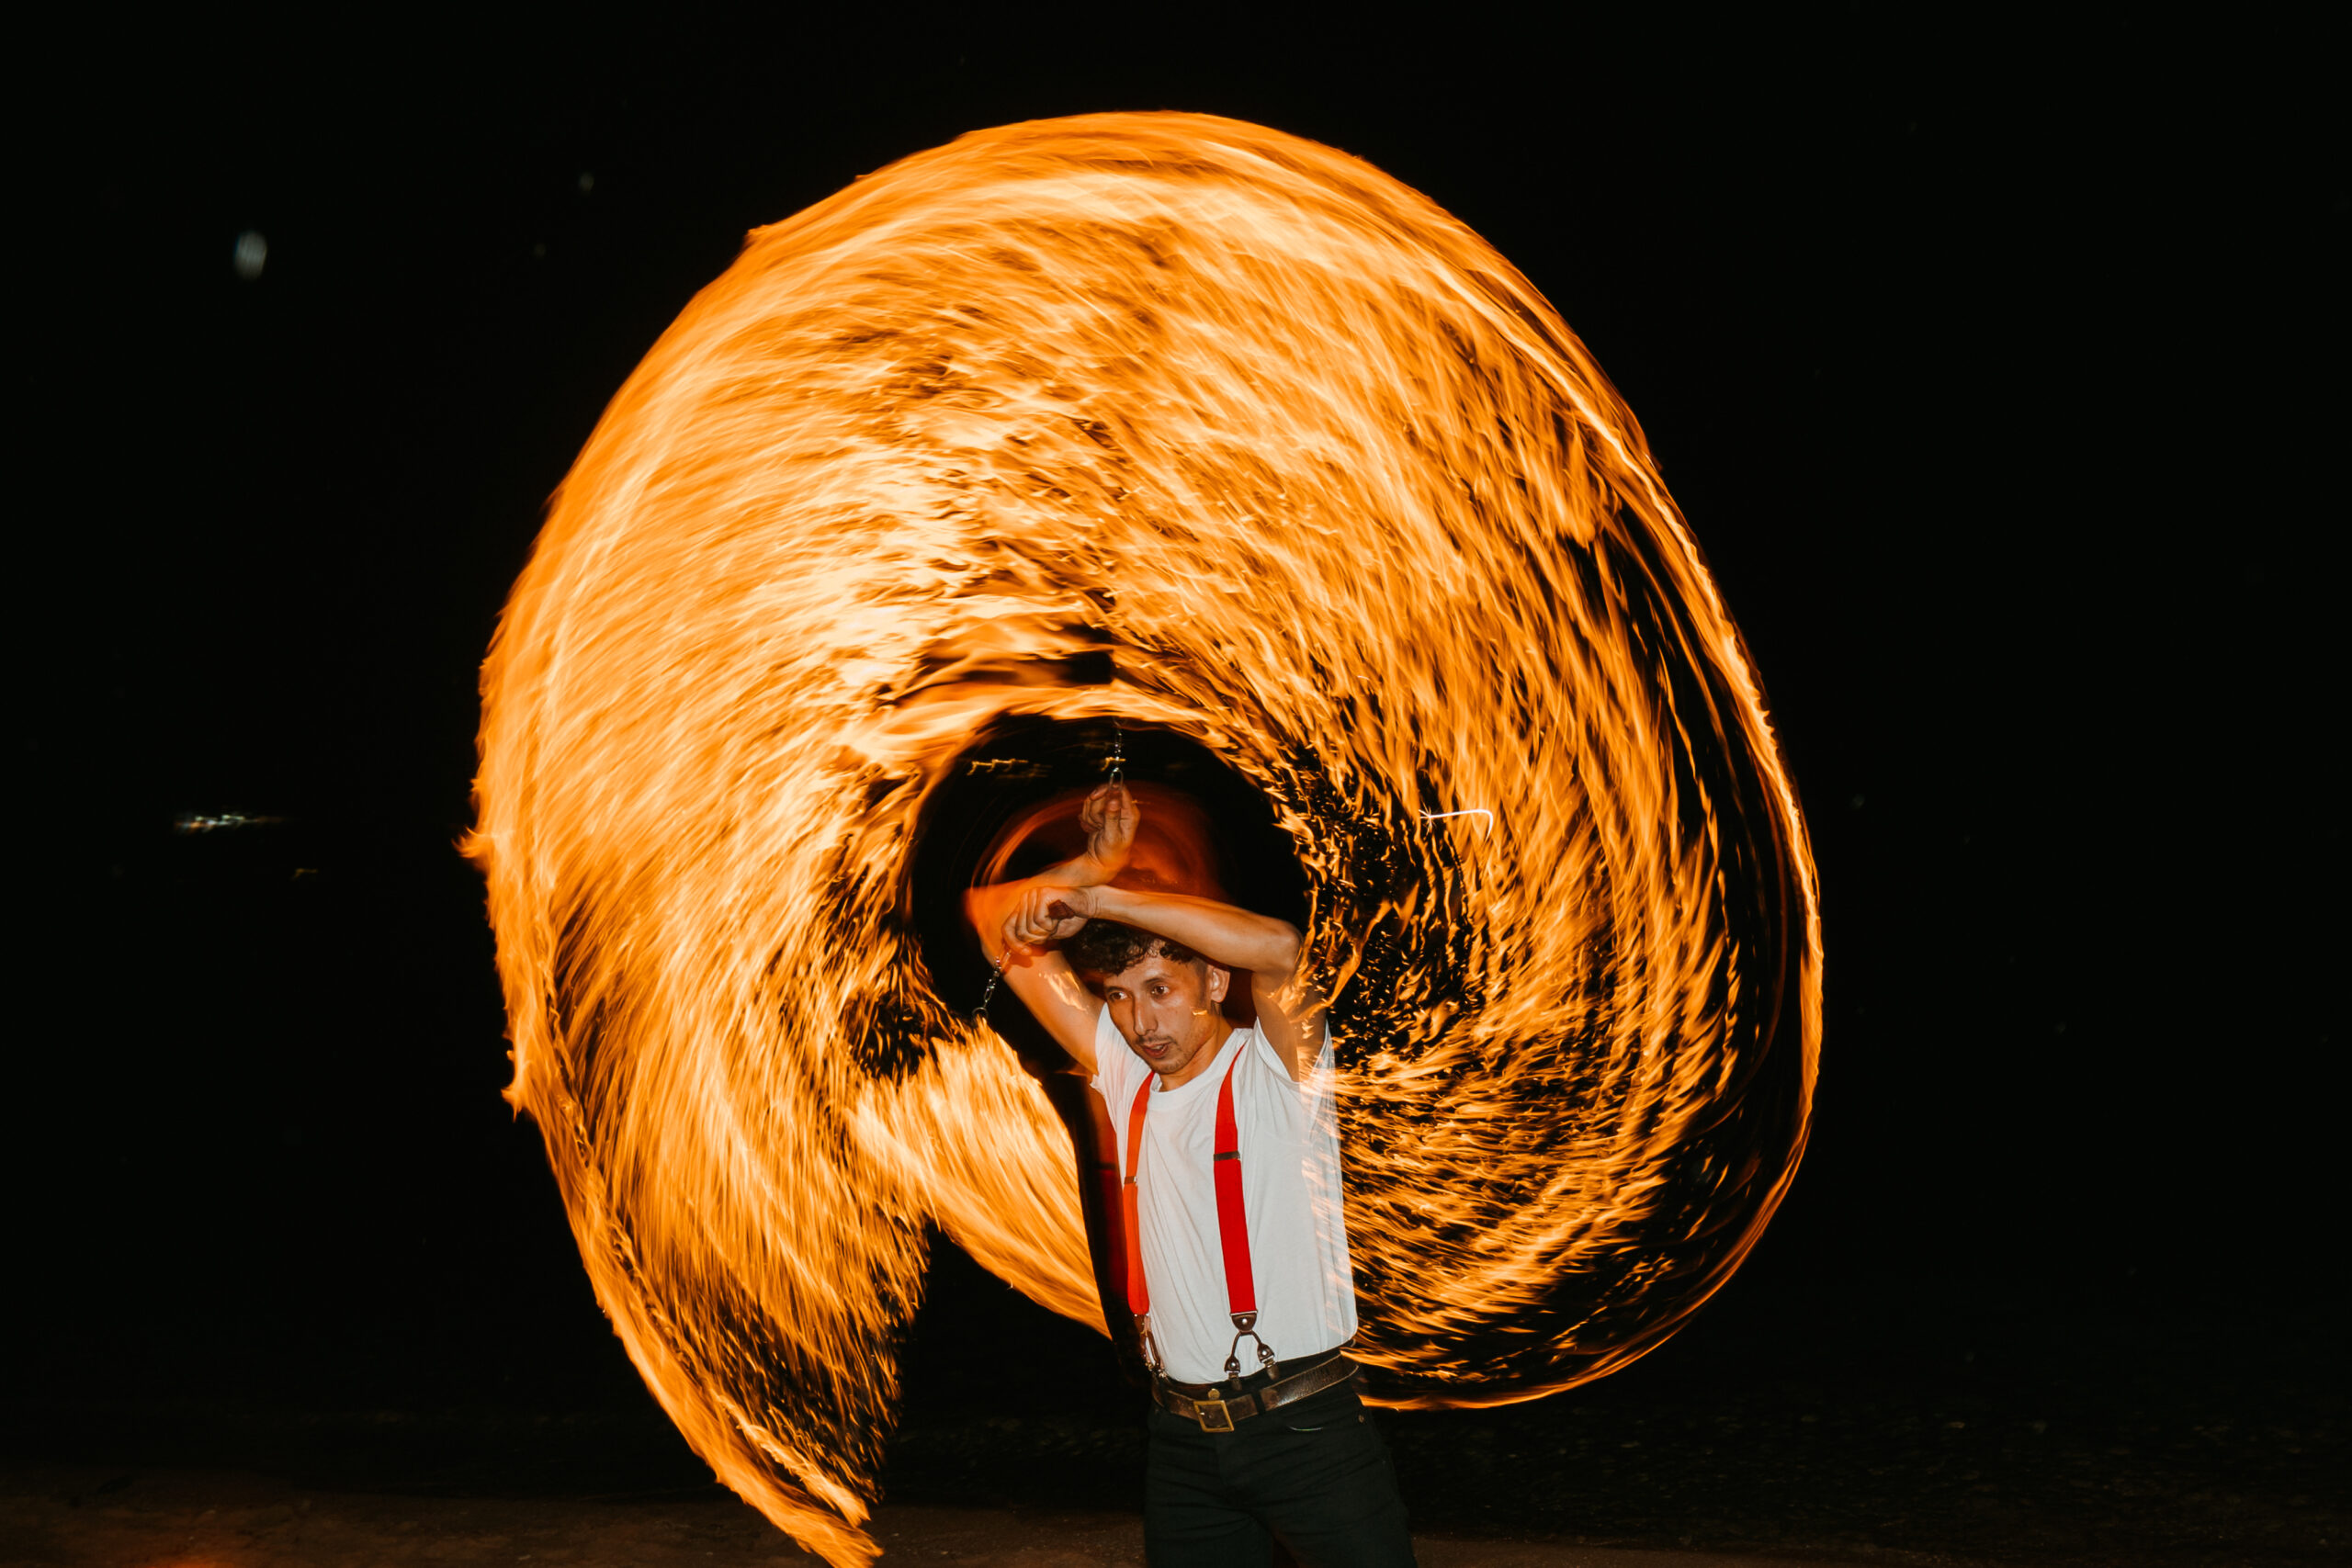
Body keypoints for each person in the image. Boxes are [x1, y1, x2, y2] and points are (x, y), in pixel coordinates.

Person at [965, 782, 1417, 1568]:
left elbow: (1278, 947)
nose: (1141, 1022)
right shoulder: (1127, 1075)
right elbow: (988, 920)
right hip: (1180, 1440)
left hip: (1304, 1430)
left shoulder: (1278, 1069)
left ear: (1213, 983)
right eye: (1121, 998)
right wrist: (1088, 861)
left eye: (1162, 990)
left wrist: (1109, 896)